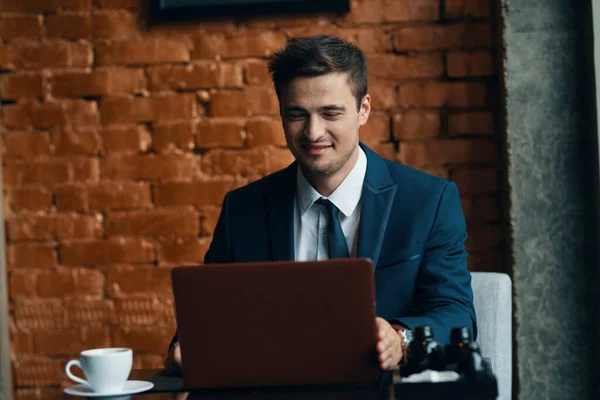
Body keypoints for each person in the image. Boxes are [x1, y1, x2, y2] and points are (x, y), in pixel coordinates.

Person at [165, 34, 476, 376]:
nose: (313, 133)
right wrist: (187, 347)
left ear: (363, 110)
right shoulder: (242, 210)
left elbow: (456, 313)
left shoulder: (429, 201)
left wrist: (399, 340)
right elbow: (207, 319)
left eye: (330, 113)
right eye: (296, 114)